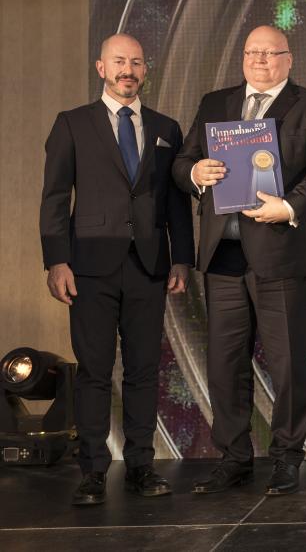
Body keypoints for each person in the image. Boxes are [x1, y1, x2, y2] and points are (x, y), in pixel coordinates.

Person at [173, 25, 306, 496]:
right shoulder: (215, 104)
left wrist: (288, 206)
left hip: (284, 255)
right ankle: (234, 458)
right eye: (252, 52)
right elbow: (182, 163)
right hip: (223, 257)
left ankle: (286, 457)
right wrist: (195, 171)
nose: (260, 60)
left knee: (289, 365)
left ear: (289, 59)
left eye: (270, 53)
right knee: (225, 365)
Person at [40, 34, 194, 506]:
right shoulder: (71, 124)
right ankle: (92, 470)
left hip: (149, 265)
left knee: (145, 369)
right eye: (119, 61)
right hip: (89, 267)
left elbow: (176, 202)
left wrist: (182, 257)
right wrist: (56, 260)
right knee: (94, 371)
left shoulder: (166, 127)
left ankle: (142, 465)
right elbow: (54, 198)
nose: (129, 70)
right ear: (101, 68)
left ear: (146, 70)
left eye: (137, 62)